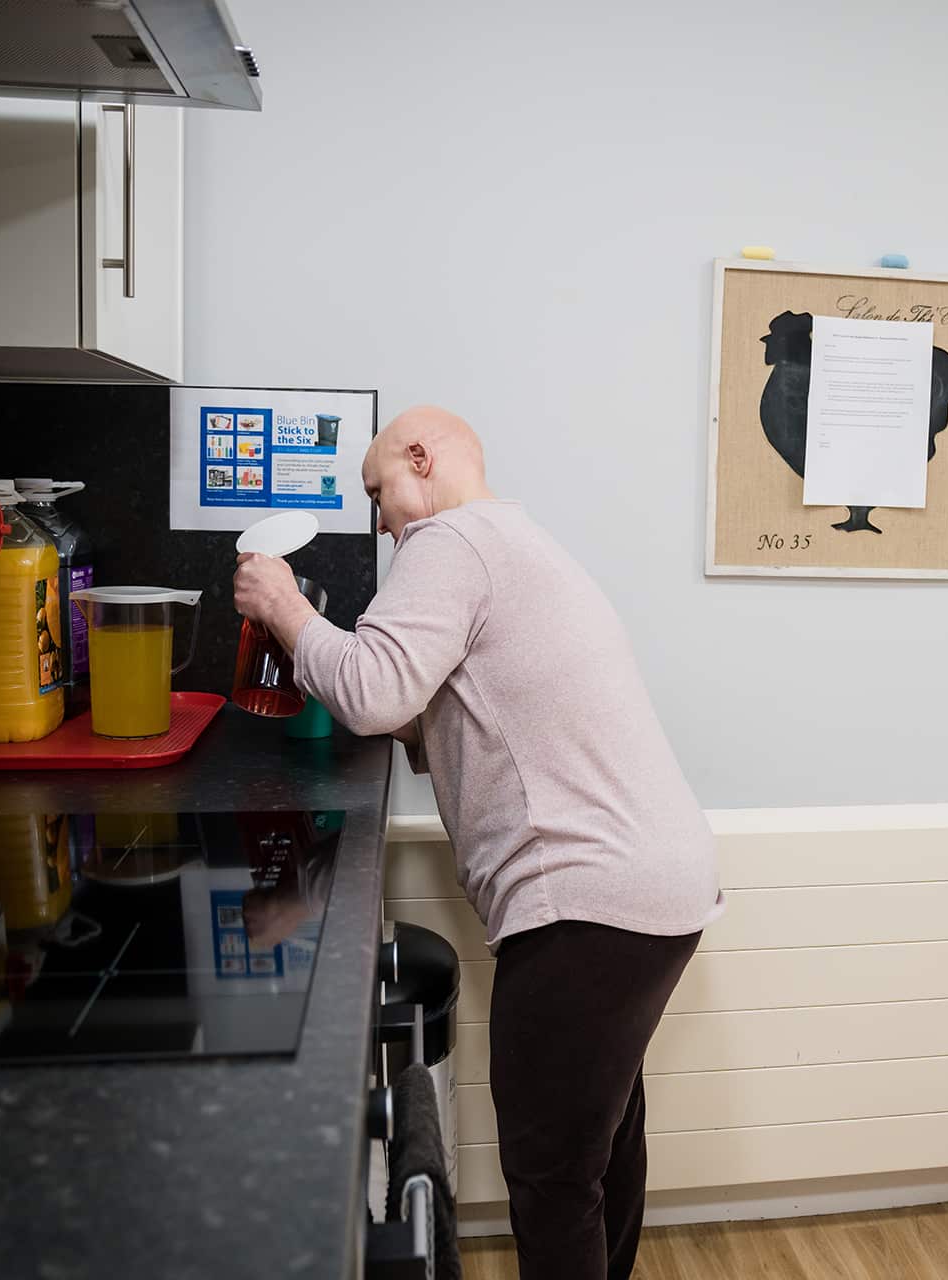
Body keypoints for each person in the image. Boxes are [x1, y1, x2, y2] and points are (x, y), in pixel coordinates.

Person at [233, 406, 723, 1280]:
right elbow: (446, 716)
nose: (380, 520)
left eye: (379, 491)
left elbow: (378, 691)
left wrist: (281, 605)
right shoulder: (514, 543)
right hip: (656, 885)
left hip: (588, 900)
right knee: (601, 1141)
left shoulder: (449, 545)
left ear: (422, 458)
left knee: (553, 1170)